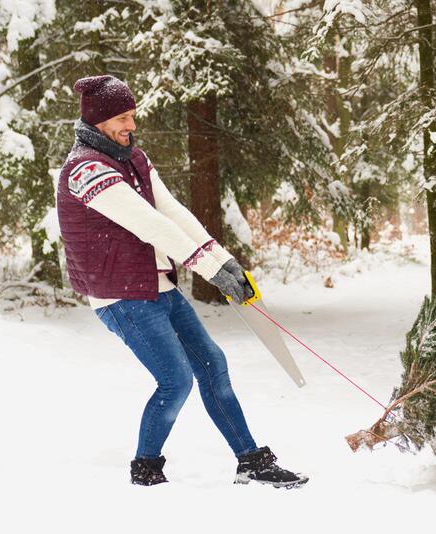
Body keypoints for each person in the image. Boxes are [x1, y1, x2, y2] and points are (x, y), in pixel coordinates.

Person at [56, 75, 308, 489]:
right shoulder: (84, 170)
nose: (130, 125)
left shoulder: (132, 157)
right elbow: (148, 223)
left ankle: (251, 460)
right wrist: (207, 270)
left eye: (132, 116)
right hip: (120, 296)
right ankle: (146, 468)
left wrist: (224, 262)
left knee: (213, 366)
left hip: (159, 286)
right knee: (175, 381)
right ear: (98, 120)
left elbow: (171, 210)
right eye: (122, 117)